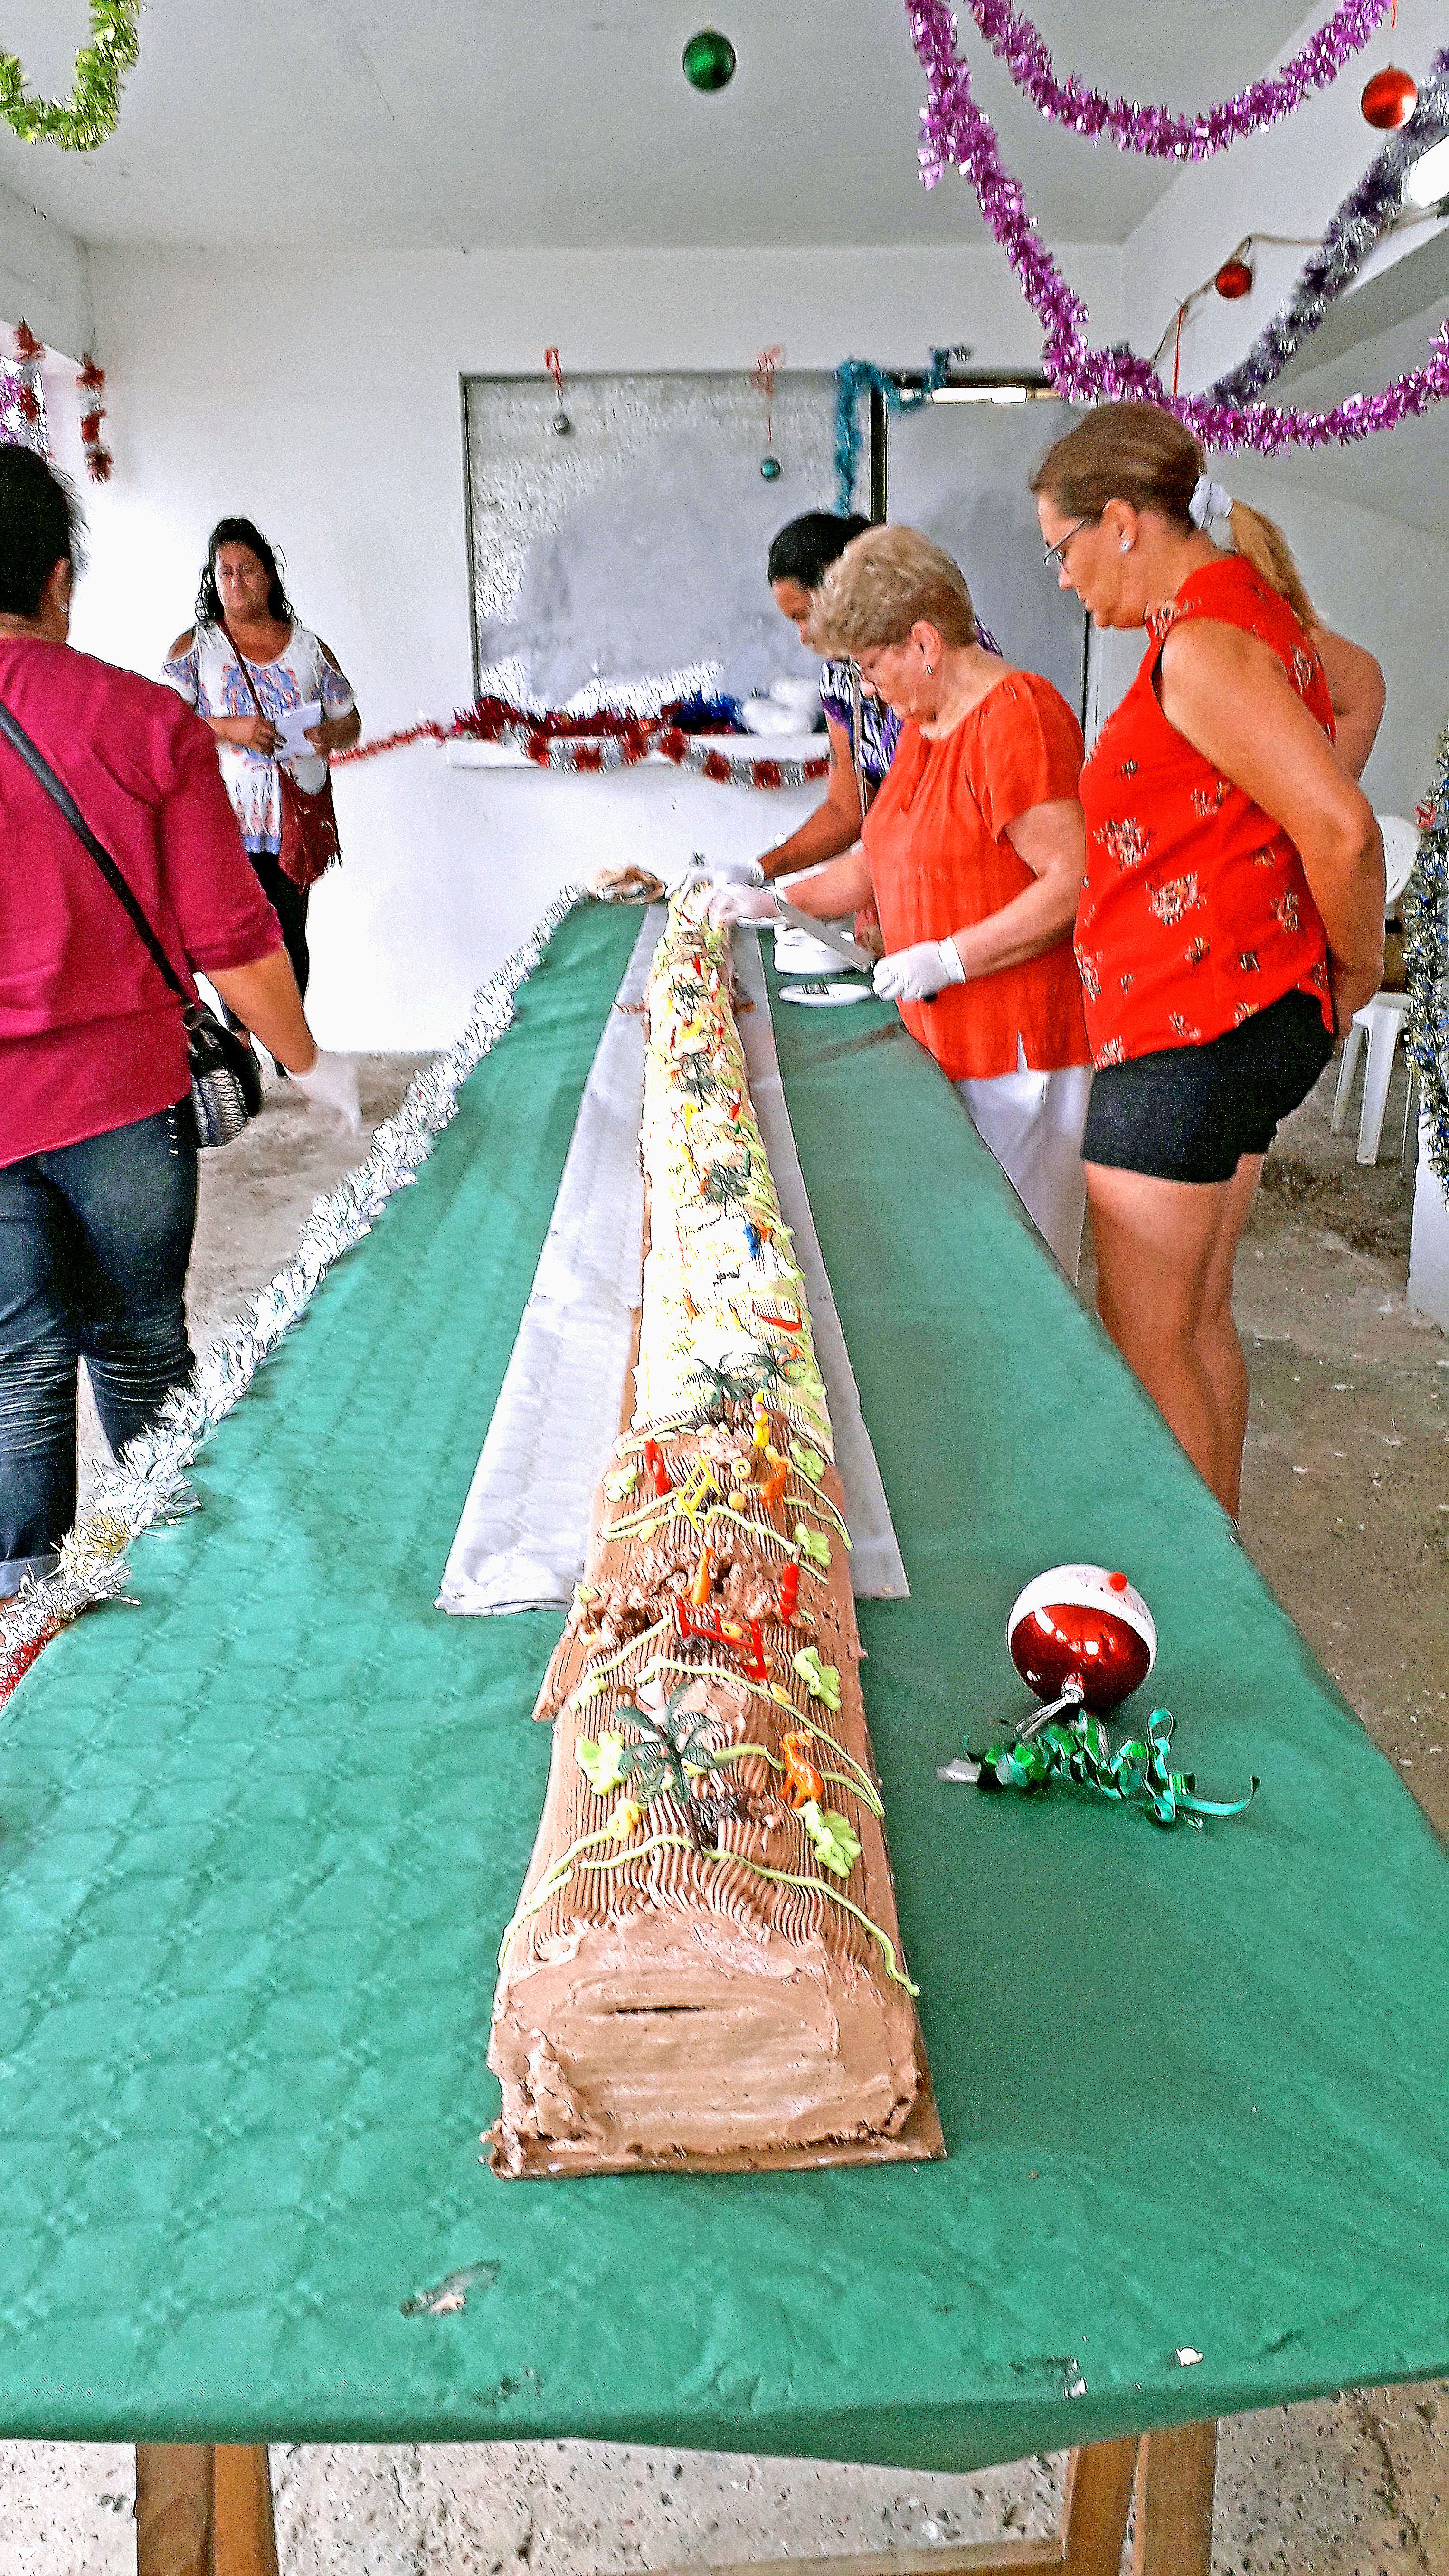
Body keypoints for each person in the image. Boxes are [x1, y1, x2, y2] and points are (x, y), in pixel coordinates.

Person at [0, 448, 359, 1601]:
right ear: (61, 579)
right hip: (122, 1103)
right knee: (142, 1345)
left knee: (16, 1366)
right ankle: (194, 1605)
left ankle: (25, 1627)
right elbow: (231, 933)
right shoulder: (145, 717)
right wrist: (311, 1063)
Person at [1031, 401, 1384, 1518]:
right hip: (1224, 1017)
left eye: (1061, 547)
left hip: (1185, 1026)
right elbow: (1356, 684)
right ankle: (1224, 1579)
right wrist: (1255, 835)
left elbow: (1340, 830)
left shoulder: (1198, 643)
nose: (1059, 576)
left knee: (1146, 1346)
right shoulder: (1247, 611)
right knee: (1195, 1322)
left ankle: (1186, 1607)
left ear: (1122, 522)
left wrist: (1357, 964)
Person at [710, 525, 1094, 1276]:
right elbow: (881, 861)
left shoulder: (1015, 716)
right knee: (956, 1253)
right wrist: (773, 898)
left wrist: (950, 957)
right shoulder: (924, 724)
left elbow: (1071, 882)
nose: (866, 686)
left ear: (923, 642)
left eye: (870, 664)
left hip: (1014, 1048)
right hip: (941, 1033)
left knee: (1012, 1265)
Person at [163, 518, 360, 1021]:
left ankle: (291, 1046)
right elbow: (168, 729)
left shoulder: (308, 649)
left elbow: (350, 720)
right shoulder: (196, 649)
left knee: (290, 934)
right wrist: (232, 729)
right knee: (235, 939)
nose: (235, 581)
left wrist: (330, 736)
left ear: (269, 575)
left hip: (294, 814)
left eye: (247, 570)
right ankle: (244, 1043)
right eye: (225, 572)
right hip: (223, 819)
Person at [756, 512, 899, 890]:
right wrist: (759, 871)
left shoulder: (923, 654)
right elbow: (845, 809)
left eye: (806, 616)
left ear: (842, 589)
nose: (804, 637)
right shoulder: (839, 676)